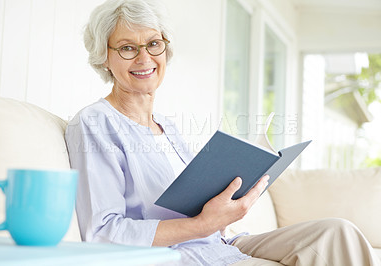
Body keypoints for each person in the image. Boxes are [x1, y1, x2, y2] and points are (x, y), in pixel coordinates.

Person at [65, 0, 380, 265]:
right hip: (179, 254)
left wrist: (233, 194)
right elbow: (103, 232)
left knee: (337, 232)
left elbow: (196, 203)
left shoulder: (168, 127)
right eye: (127, 48)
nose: (145, 58)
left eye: (153, 44)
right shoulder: (95, 123)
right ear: (104, 58)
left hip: (221, 243)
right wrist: (201, 225)